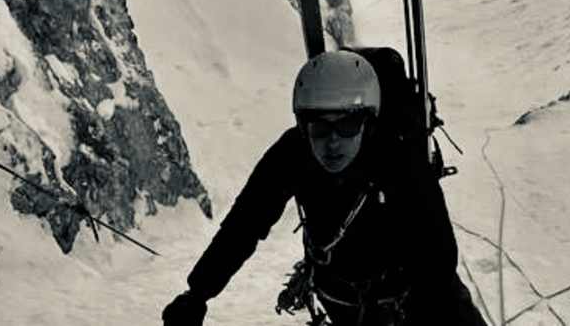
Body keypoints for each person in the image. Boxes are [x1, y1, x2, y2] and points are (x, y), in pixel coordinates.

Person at [162, 50, 486, 325]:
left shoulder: (398, 157)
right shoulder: (293, 152)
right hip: (342, 299)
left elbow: (438, 260)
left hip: (415, 298)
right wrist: (198, 293)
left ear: (367, 123)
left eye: (346, 125)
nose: (333, 142)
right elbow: (245, 224)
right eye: (320, 127)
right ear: (303, 127)